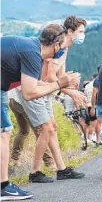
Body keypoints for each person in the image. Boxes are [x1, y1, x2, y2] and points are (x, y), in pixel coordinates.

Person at [1, 24, 81, 200]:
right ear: (57, 45)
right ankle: (4, 186)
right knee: (4, 133)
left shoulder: (32, 49)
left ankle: (4, 185)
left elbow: (35, 84)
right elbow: (29, 93)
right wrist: (60, 84)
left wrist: (66, 88)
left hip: (2, 90)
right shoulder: (32, 54)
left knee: (5, 131)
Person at [17, 16, 87, 183]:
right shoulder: (58, 47)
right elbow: (50, 76)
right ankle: (34, 172)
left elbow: (60, 76)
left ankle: (61, 169)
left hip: (46, 90)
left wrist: (72, 88)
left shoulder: (65, 48)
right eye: (81, 32)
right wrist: (72, 93)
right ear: (70, 32)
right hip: (36, 88)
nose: (83, 35)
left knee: (52, 128)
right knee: (47, 129)